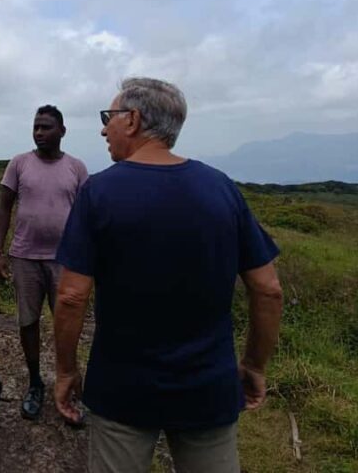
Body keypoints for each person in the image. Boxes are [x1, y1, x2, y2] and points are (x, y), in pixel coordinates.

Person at [54, 78, 283, 473]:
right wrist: (254, 365)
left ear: (132, 120)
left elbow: (72, 296)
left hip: (122, 389)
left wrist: (66, 371)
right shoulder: (221, 188)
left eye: (109, 118)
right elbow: (268, 290)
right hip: (209, 387)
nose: (103, 129)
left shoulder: (99, 192)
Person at [0, 105, 88, 420]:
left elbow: (86, 216)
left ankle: (67, 382)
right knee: (28, 321)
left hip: (65, 260)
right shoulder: (19, 163)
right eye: (36, 127)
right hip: (24, 257)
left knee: (66, 324)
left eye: (46, 127)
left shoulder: (76, 167)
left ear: (62, 131)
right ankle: (35, 383)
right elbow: (4, 208)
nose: (39, 133)